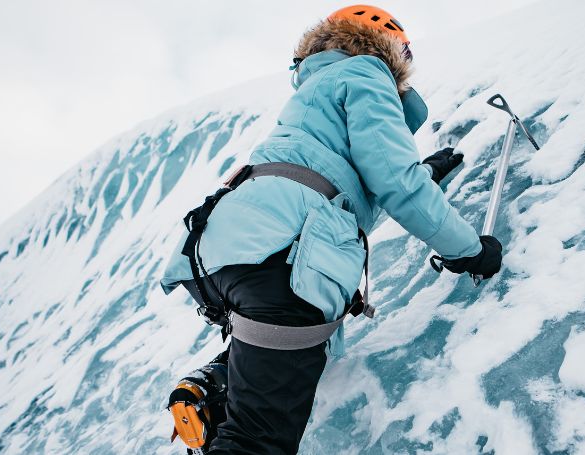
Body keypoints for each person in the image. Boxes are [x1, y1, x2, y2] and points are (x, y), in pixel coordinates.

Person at [159, 5, 503, 454]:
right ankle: (230, 396)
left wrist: (426, 172)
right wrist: (470, 250)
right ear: (388, 45)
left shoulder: (312, 93)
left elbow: (336, 196)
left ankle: (217, 384)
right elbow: (394, 179)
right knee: (258, 441)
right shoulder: (366, 71)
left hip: (221, 248)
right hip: (280, 254)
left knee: (277, 347)